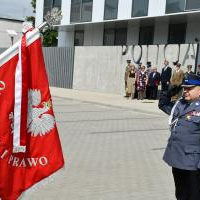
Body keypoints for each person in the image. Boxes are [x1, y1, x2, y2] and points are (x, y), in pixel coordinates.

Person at [158, 73, 200, 200]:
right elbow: (163, 104)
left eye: (189, 88)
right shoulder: (180, 104)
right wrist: (171, 90)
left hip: (194, 163)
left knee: (194, 196)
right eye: (184, 88)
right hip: (177, 159)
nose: (185, 91)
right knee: (180, 195)